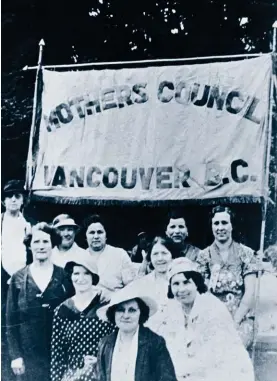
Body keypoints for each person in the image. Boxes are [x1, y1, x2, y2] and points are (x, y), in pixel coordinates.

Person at [165, 257, 255, 381]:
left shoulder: (212, 308)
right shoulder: (172, 309)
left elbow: (213, 356)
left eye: (186, 282)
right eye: (176, 284)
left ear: (196, 284)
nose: (181, 289)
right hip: (190, 370)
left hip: (225, 371)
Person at [6, 223, 72, 381]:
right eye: (36, 242)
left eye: (45, 242)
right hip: (28, 357)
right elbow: (10, 320)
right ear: (29, 246)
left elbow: (72, 316)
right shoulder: (18, 279)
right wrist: (15, 356)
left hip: (59, 354)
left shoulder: (64, 277)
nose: (41, 246)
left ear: (53, 245)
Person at [196, 205, 260, 348]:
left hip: (241, 317)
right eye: (216, 223)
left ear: (232, 226)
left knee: (234, 347)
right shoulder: (204, 256)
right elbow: (203, 293)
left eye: (224, 223)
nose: (220, 227)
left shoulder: (246, 253)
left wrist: (235, 321)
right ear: (211, 226)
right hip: (213, 317)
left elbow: (250, 292)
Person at [96, 283, 178, 381]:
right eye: (121, 310)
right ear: (113, 314)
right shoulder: (105, 343)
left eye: (132, 310)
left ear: (141, 313)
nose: (126, 315)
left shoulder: (154, 342)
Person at [50, 257, 114, 381]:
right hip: (72, 375)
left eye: (86, 273)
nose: (81, 278)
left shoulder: (106, 306)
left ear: (93, 277)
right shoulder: (62, 310)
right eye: (76, 273)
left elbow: (116, 343)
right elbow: (57, 353)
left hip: (102, 373)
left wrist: (101, 361)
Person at [1, 180, 33, 381]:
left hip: (22, 284)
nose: (13, 199)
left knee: (20, 327)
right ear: (3, 200)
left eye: (17, 196)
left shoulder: (29, 225)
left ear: (23, 200)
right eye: (9, 196)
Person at [84, 214, 137, 301]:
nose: (96, 236)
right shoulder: (80, 257)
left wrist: (113, 296)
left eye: (100, 232)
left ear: (106, 236)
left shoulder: (120, 254)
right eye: (92, 232)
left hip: (114, 305)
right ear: (86, 237)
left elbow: (131, 287)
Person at [132, 236, 174, 335]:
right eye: (155, 254)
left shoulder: (182, 282)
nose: (160, 258)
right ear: (149, 257)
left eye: (164, 253)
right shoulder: (141, 284)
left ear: (172, 255)